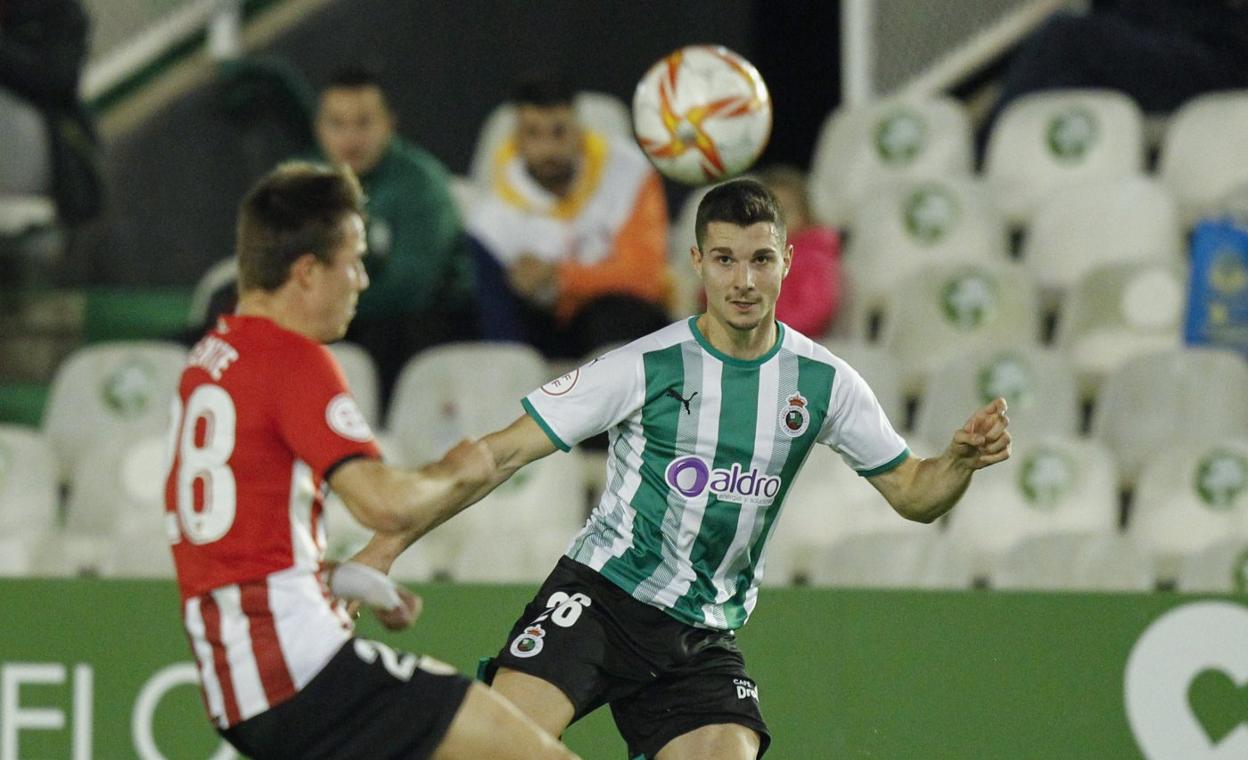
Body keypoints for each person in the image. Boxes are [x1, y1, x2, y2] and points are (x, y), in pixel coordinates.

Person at [353, 178, 1012, 759]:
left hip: (701, 635)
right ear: (697, 262)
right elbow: (498, 453)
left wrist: (956, 463)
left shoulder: (824, 382)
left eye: (760, 260)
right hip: (599, 601)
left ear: (787, 260)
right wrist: (386, 546)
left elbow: (915, 494)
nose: (744, 281)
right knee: (490, 752)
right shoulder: (646, 365)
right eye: (725, 260)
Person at [165, 162, 576, 760]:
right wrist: (455, 470)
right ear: (307, 272)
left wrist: (348, 577)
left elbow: (234, 546)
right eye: (353, 261)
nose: (361, 280)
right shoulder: (292, 360)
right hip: (300, 670)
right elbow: (381, 501)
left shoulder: (208, 360)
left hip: (242, 684)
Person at [468, 72, 671, 359]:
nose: (548, 149)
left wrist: (559, 278)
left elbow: (646, 278)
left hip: (617, 325)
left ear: (578, 129)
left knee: (618, 314)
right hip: (543, 334)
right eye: (533, 133)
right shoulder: (491, 220)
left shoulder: (629, 174)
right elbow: (499, 329)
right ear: (517, 139)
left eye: (559, 132)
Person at [312, 67, 477, 410]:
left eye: (363, 123)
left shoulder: (421, 184)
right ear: (319, 129)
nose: (351, 138)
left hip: (422, 322)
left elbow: (410, 289)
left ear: (389, 123)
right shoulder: (303, 181)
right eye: (337, 124)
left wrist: (318, 304)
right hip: (345, 312)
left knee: (392, 331)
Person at [977, 0, 1248, 160]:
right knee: (1057, 47)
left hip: (1219, 58)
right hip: (1147, 41)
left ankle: (981, 161)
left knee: (1065, 40)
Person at [756, 165, 842, 337]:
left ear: (805, 215)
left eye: (786, 210)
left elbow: (814, 310)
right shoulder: (749, 254)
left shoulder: (813, 258)